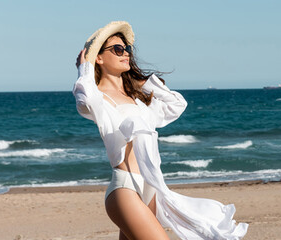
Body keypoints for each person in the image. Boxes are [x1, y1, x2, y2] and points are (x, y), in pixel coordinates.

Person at [73, 21, 248, 240]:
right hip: (125, 189)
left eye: (127, 49)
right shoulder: (100, 100)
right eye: (118, 49)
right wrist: (85, 69)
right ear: (99, 58)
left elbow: (176, 105)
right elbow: (85, 99)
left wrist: (142, 83)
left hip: (150, 189)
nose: (126, 53)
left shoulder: (137, 100)